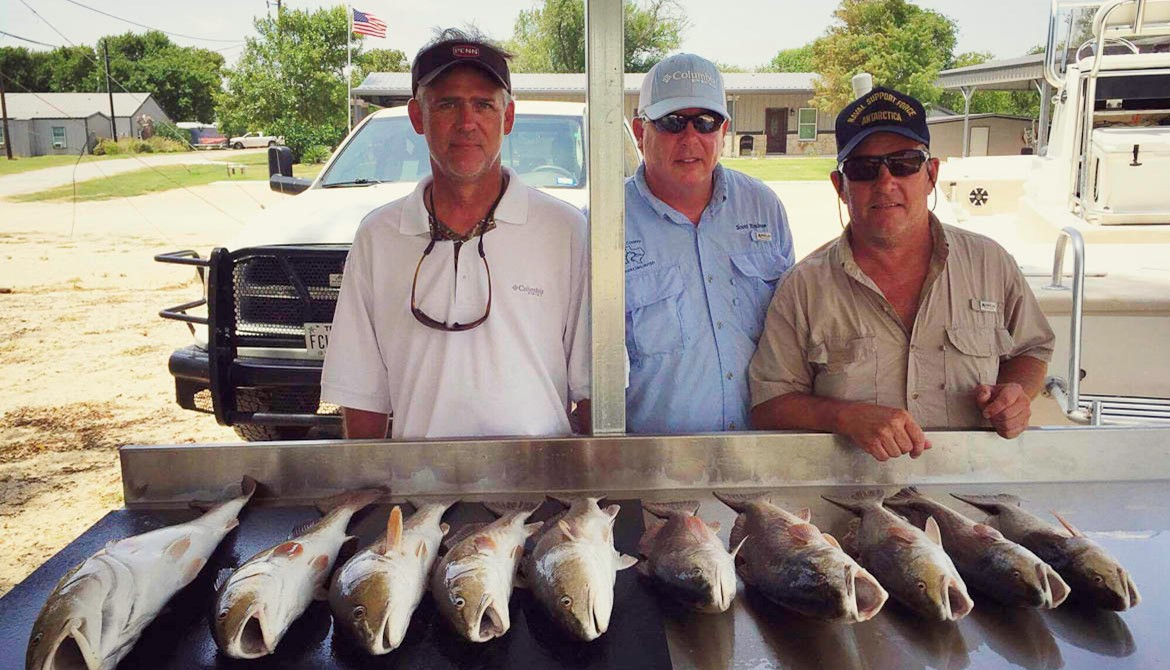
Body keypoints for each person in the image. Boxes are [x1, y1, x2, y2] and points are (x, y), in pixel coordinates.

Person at [748, 87, 1054, 461]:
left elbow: (1031, 349)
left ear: (931, 173)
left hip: (972, 498)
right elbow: (769, 403)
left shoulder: (990, 263)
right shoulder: (805, 286)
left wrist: (1016, 393)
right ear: (840, 187)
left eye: (905, 162)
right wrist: (844, 417)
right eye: (863, 169)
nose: (885, 181)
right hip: (855, 504)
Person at [320, 29, 590, 439]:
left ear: (508, 117)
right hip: (419, 491)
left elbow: (591, 390)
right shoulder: (378, 236)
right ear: (417, 116)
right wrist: (373, 494)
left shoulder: (566, 230)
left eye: (483, 104)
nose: (467, 123)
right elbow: (361, 395)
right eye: (447, 104)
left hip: (542, 488)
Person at [624, 53, 795, 433]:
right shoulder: (604, 225)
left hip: (758, 460)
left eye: (706, 122)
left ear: (724, 130)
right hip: (656, 471)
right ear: (640, 131)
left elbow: (794, 341)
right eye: (672, 123)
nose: (690, 138)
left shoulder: (764, 207)